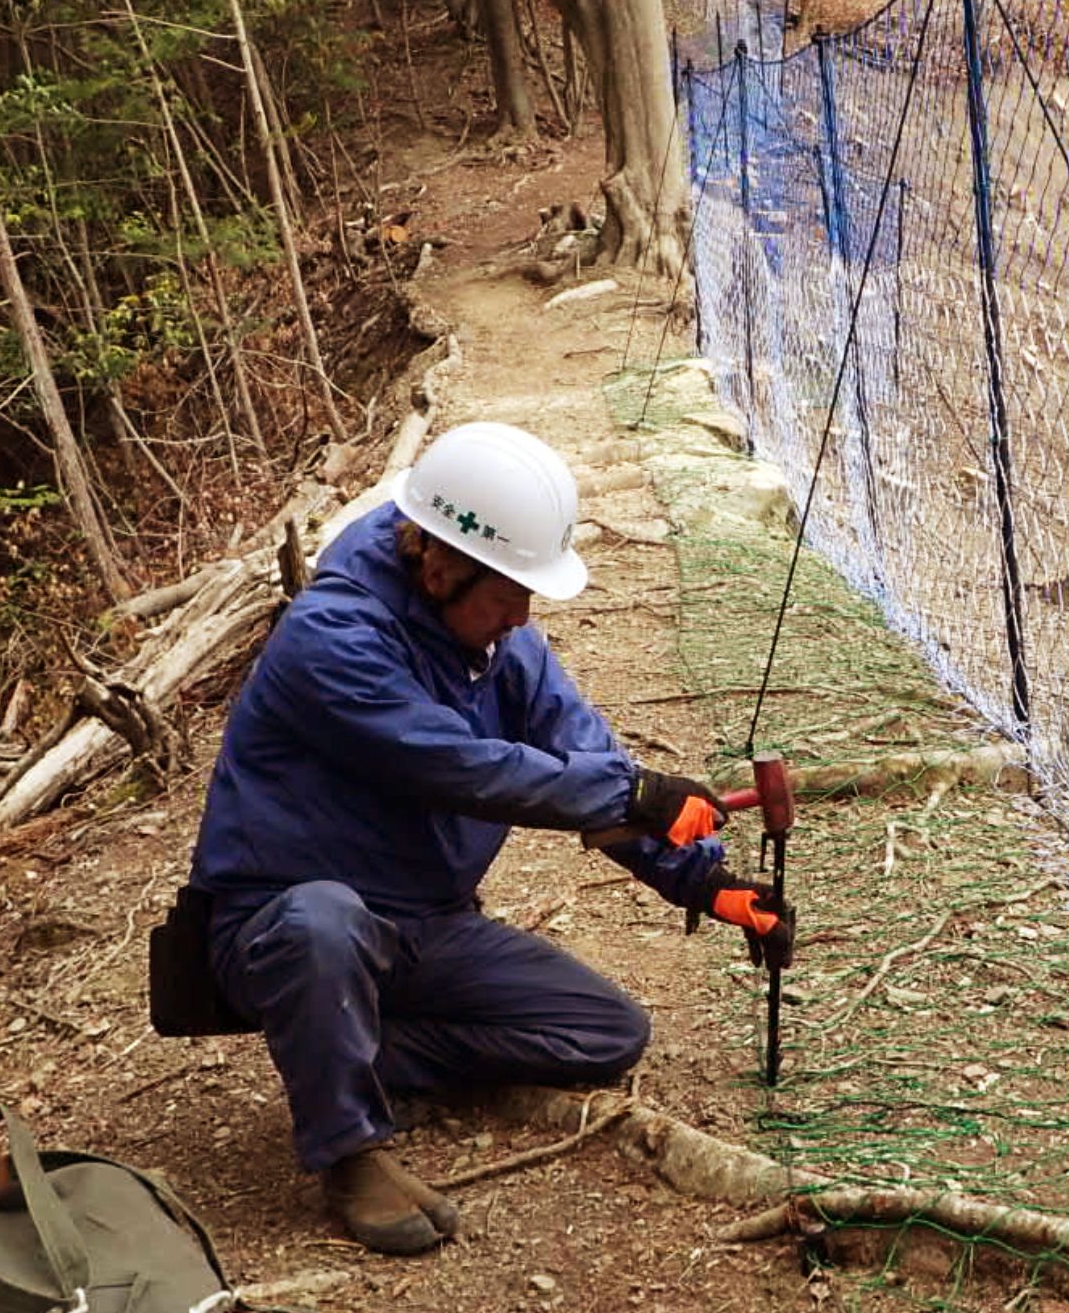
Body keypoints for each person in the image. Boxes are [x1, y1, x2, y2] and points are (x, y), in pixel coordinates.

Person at [188, 421, 792, 1256]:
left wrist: (702, 881)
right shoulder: (331, 640)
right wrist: (637, 794)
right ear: (440, 563)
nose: (524, 614)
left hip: (422, 922)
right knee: (323, 923)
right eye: (511, 591)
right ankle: (350, 1151)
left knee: (604, 1032)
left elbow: (581, 753)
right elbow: (463, 768)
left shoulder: (498, 637)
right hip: (278, 923)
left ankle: (363, 1049)